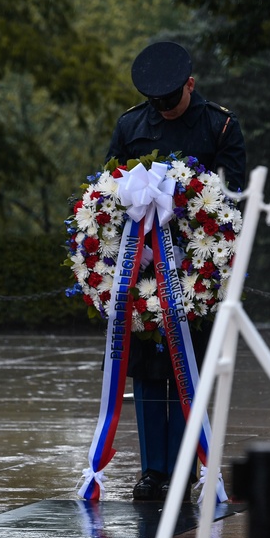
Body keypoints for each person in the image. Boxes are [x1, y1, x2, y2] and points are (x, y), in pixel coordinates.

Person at [105, 40, 247, 501]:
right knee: (148, 370)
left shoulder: (219, 125)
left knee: (189, 364)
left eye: (173, 101)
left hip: (195, 267)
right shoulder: (131, 124)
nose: (164, 112)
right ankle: (154, 469)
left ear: (191, 84)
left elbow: (232, 198)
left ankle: (188, 463)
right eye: (157, 105)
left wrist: (182, 200)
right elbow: (108, 189)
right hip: (144, 265)